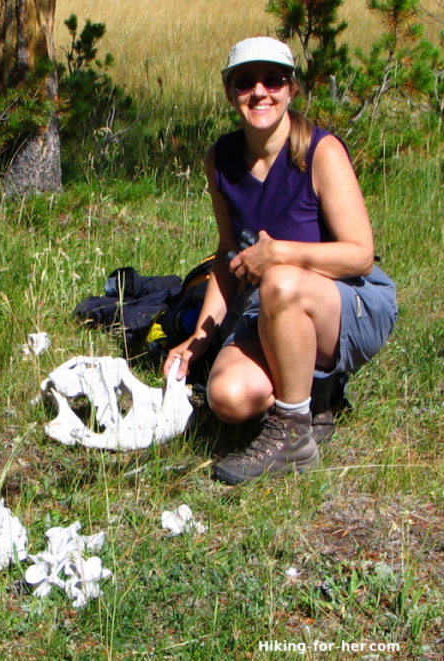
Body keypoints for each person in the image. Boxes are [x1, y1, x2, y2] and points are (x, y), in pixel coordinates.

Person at [163, 36, 397, 485]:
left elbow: (360, 256)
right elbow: (228, 256)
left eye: (273, 80)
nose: (260, 92)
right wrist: (196, 342)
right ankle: (317, 395)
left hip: (348, 303)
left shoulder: (320, 151)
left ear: (291, 89)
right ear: (231, 92)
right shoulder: (221, 160)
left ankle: (292, 433)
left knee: (280, 281)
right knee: (227, 397)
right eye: (246, 82)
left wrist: (280, 254)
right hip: (270, 308)